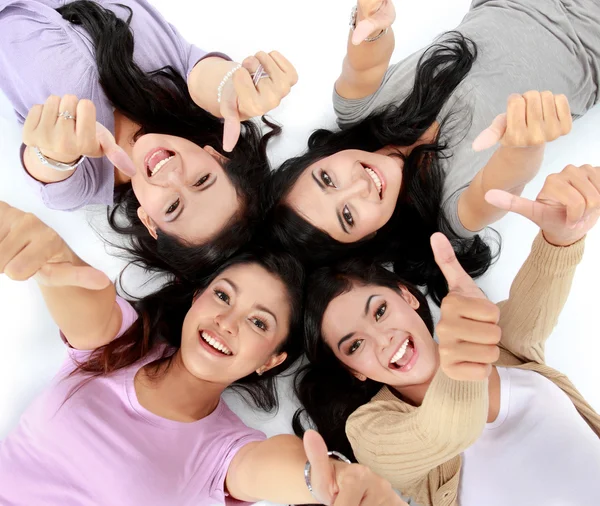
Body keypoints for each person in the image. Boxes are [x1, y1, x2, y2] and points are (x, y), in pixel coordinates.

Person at [0, 201, 405, 506]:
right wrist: (47, 251)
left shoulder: (225, 450)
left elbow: (275, 468)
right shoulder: (118, 342)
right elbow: (75, 285)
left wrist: (327, 479)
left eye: (259, 322)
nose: (227, 321)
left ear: (271, 360)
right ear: (197, 299)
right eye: (223, 296)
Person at [293, 163, 600, 505]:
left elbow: (539, 294)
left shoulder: (498, 342)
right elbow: (448, 429)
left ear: (407, 296)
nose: (384, 339)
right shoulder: (369, 429)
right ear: (355, 370)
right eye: (355, 345)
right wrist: (461, 356)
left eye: (380, 311)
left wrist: (562, 235)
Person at [266, 0, 599, 303]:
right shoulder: (453, 214)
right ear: (370, 238)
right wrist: (525, 139)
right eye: (348, 216)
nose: (358, 186)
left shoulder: (358, 111)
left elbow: (366, 58)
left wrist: (370, 22)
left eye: (326, 178)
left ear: (320, 159)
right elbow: (508, 175)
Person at [0, 0, 297, 280]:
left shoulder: (84, 182)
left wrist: (56, 153)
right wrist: (233, 89)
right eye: (202, 180)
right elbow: (211, 81)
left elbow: (47, 170)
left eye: (172, 207)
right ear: (216, 156)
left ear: (149, 222)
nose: (172, 177)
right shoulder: (183, 85)